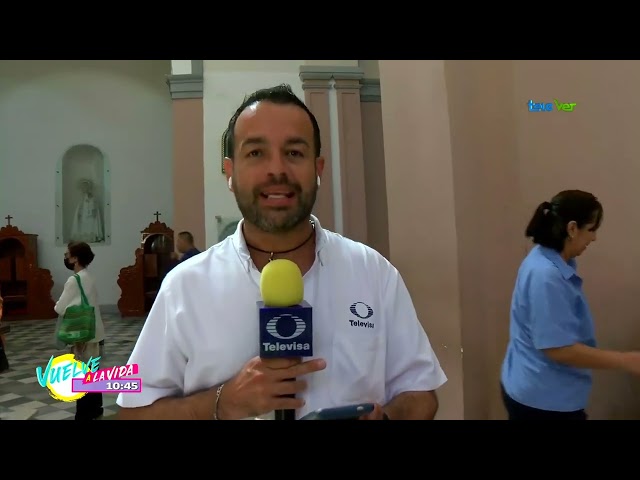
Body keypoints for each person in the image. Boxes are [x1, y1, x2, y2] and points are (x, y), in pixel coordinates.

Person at [117, 84, 447, 420]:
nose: (277, 171)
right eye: (256, 153)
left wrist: (387, 417)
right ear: (230, 173)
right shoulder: (185, 287)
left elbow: (420, 393)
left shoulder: (373, 272)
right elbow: (134, 413)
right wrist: (219, 403)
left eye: (294, 153)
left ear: (318, 169)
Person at [500, 190, 640, 420]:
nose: (594, 238)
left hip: (535, 385)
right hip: (542, 400)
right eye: (592, 229)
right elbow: (557, 348)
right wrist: (626, 361)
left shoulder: (548, 257)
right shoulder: (545, 275)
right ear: (572, 229)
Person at [55, 241, 106, 420]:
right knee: (93, 371)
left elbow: (60, 308)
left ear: (75, 258)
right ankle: (96, 408)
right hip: (94, 330)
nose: (66, 257)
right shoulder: (89, 276)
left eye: (67, 254)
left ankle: (83, 414)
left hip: (80, 333)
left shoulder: (74, 280)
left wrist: (59, 306)